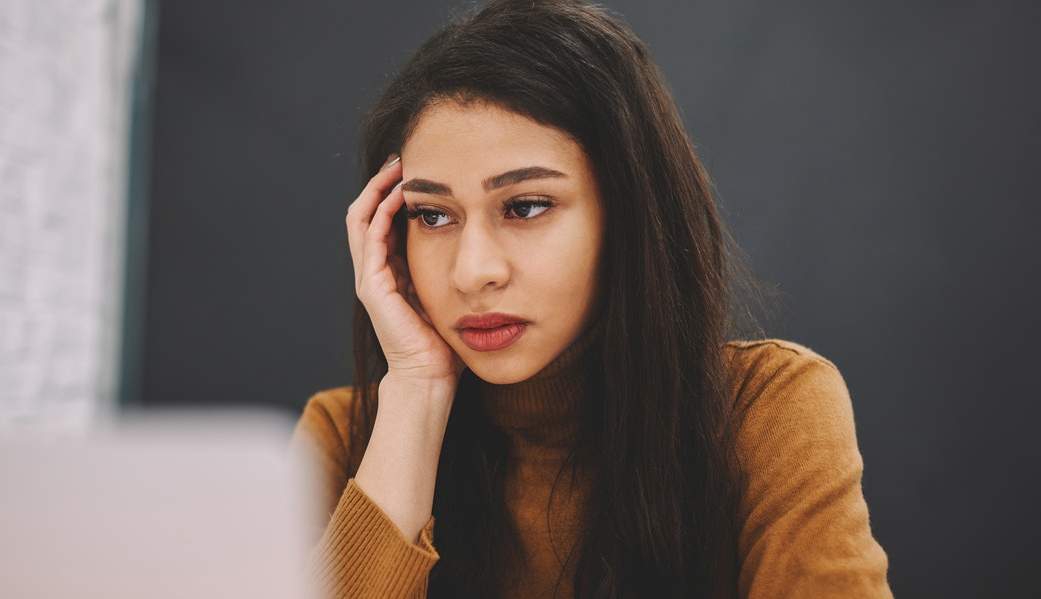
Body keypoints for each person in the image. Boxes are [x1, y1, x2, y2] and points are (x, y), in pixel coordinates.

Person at [293, 0, 892, 597]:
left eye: (526, 206)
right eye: (432, 214)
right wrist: (417, 392)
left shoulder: (764, 412)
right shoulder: (347, 437)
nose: (473, 273)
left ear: (626, 210)